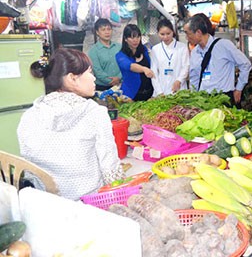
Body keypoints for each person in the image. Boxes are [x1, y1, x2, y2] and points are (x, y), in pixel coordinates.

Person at [17, 48, 125, 201]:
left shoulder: (28, 116)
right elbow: (110, 169)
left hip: (46, 204)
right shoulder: (96, 113)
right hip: (89, 204)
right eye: (90, 72)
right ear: (72, 78)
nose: (94, 79)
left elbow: (30, 168)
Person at [185, 13, 252, 107]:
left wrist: (239, 89)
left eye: (188, 33)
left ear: (198, 33)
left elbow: (245, 64)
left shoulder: (224, 45)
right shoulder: (195, 52)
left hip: (223, 98)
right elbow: (194, 77)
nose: (186, 38)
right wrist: (194, 98)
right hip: (203, 100)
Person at [150, 19, 189, 96]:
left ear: (173, 32)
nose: (165, 37)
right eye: (162, 34)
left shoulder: (182, 47)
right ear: (158, 33)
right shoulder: (155, 49)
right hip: (162, 90)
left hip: (179, 89)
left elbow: (186, 67)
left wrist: (179, 80)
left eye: (168, 33)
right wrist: (159, 92)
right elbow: (154, 72)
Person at [116, 24, 154, 101]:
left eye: (138, 37)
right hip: (132, 95)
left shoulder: (144, 49)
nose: (135, 40)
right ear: (125, 39)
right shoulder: (120, 55)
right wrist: (144, 69)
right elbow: (130, 66)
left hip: (149, 93)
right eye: (131, 37)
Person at [88, 18, 122, 91]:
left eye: (109, 29)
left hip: (120, 85)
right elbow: (98, 71)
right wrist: (111, 81)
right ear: (97, 32)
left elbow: (124, 65)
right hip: (102, 88)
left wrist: (119, 78)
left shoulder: (119, 47)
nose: (107, 32)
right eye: (103, 30)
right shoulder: (93, 51)